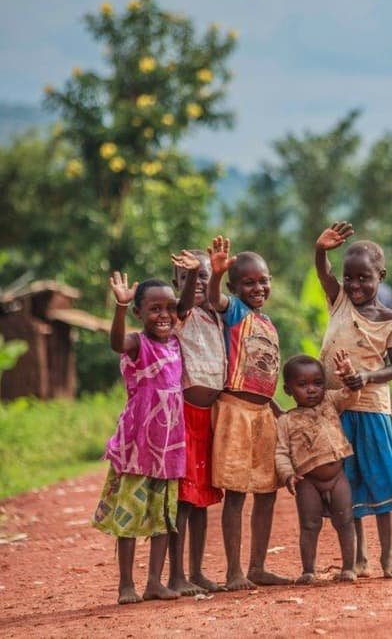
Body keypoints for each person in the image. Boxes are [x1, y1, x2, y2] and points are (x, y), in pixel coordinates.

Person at [92, 253, 198, 605]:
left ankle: (155, 581)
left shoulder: (174, 340)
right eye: (154, 309)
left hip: (169, 447)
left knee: (163, 518)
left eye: (169, 308)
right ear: (139, 313)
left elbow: (183, 305)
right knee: (129, 516)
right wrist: (120, 308)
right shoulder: (139, 343)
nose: (164, 314)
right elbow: (115, 343)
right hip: (138, 447)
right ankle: (126, 584)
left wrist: (195, 274)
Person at [315, 222, 392, 579]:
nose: (355, 286)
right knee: (347, 486)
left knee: (380, 479)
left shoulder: (391, 321)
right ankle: (358, 557)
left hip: (372, 410)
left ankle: (389, 556)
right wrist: (320, 249)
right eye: (349, 277)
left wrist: (367, 377)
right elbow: (323, 273)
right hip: (337, 409)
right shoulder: (338, 301)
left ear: (380, 276)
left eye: (364, 278)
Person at [206, 236, 290, 590]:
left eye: (264, 280)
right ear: (234, 287)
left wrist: (276, 407)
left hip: (263, 415)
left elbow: (265, 373)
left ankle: (258, 566)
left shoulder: (267, 322)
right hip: (236, 413)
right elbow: (214, 299)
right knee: (237, 493)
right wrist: (214, 274)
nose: (258, 287)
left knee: (268, 491)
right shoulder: (235, 311)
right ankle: (234, 572)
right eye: (249, 282)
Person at [166, 250, 225, 596]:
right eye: (187, 277)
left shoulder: (217, 316)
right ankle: (176, 575)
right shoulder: (181, 314)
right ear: (177, 283)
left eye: (202, 276)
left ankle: (198, 570)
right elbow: (187, 301)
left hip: (210, 419)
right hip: (184, 416)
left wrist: (214, 273)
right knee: (184, 501)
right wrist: (191, 281)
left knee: (201, 499)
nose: (197, 283)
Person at [276, 351, 361, 584]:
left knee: (345, 520)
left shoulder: (330, 402)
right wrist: (287, 474)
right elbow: (281, 452)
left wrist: (348, 374)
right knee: (309, 524)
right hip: (308, 481)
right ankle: (308, 570)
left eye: (317, 383)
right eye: (302, 385)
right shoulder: (287, 420)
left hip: (337, 477)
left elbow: (351, 396)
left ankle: (348, 568)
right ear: (288, 390)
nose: (311, 389)